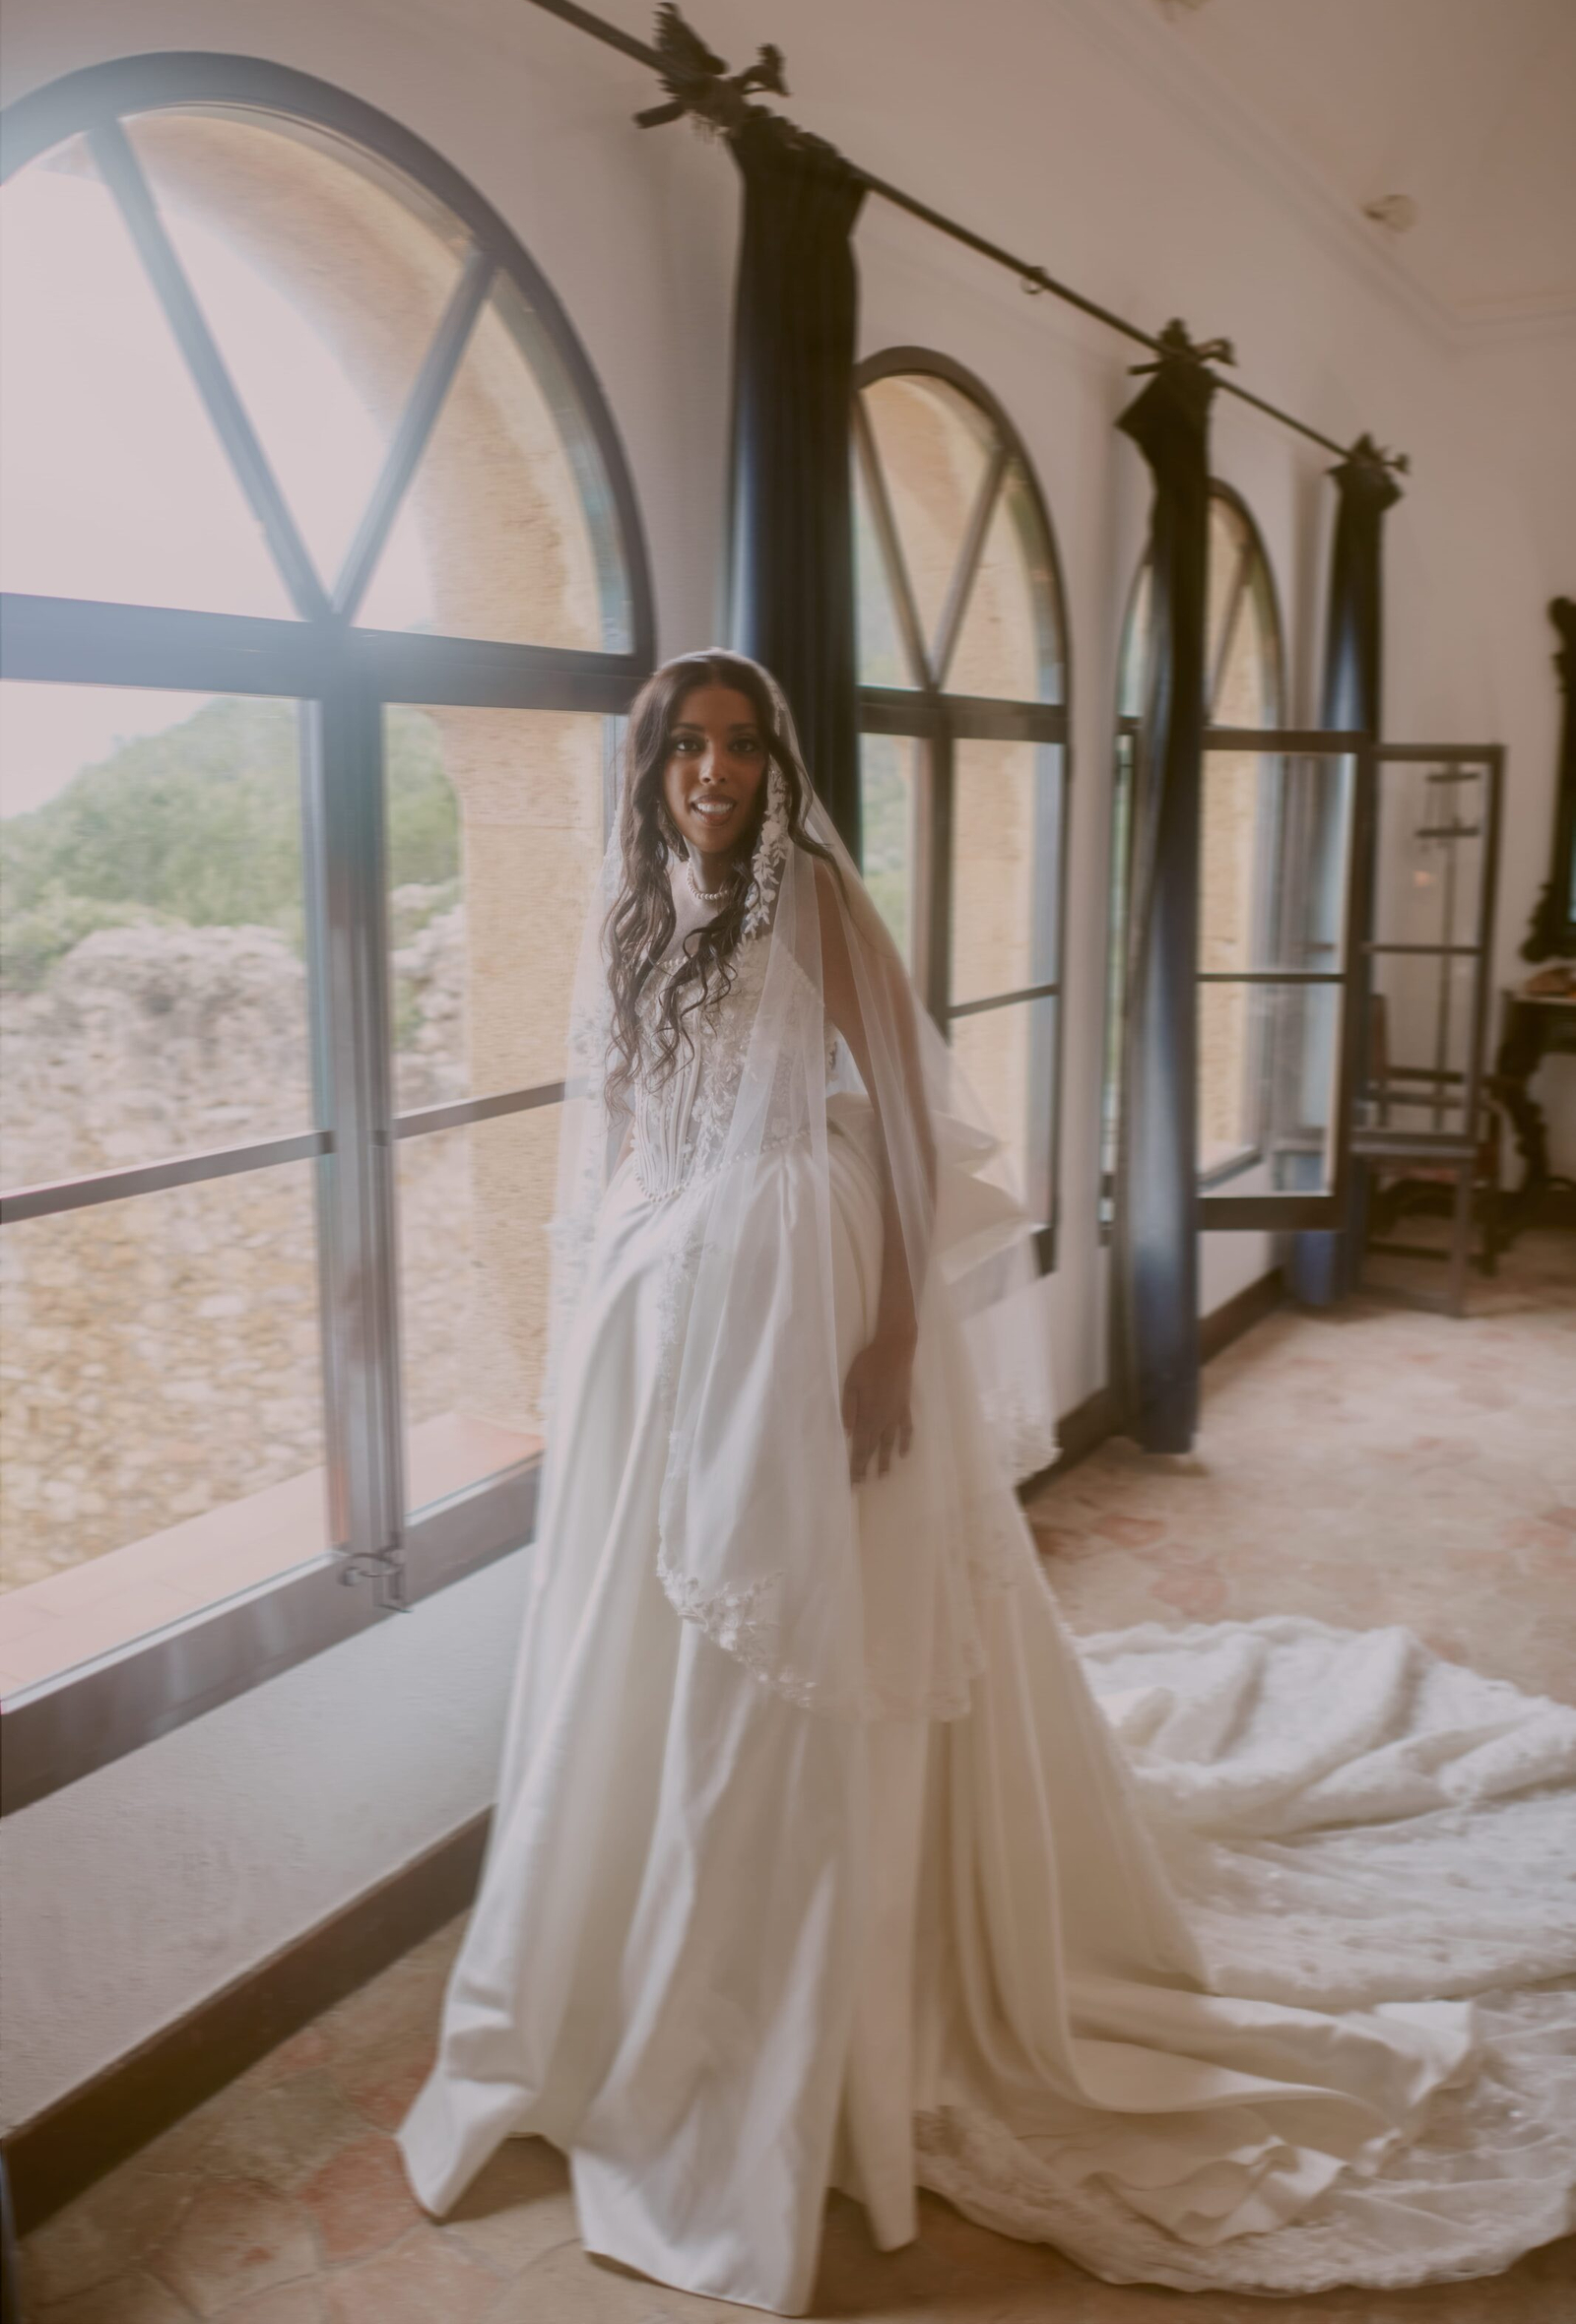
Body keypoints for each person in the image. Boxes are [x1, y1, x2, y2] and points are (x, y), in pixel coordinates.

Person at [398, 651, 1575, 2313]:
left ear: (773, 763)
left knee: (802, 1615)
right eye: (686, 748)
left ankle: (812, 1995)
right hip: (663, 1312)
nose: (715, 774)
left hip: (813, 1284)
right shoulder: (631, 905)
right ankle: (631, 1981)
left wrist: (888, 1338)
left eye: (740, 745)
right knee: (645, 1631)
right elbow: (623, 1134)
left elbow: (899, 1124)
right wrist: (605, 1317)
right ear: (648, 766)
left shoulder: (812, 895)